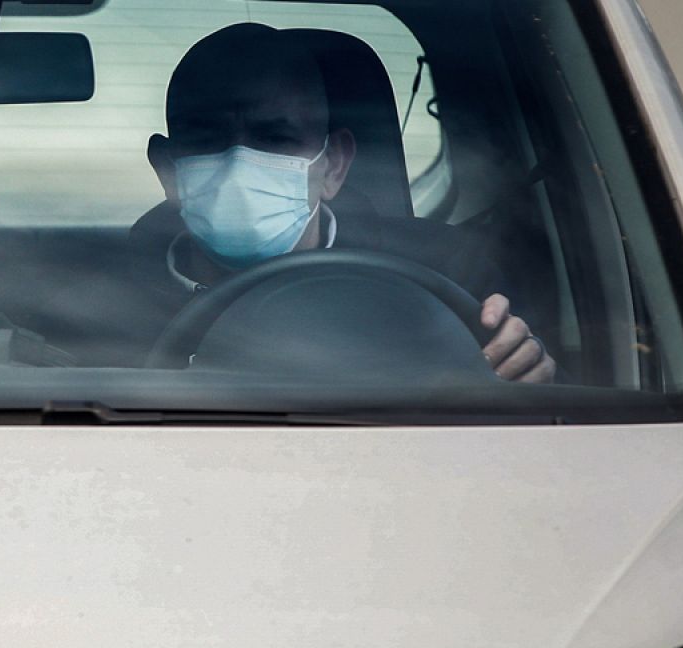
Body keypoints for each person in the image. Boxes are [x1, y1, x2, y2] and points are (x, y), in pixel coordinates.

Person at [132, 23, 556, 382]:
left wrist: (528, 371)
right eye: (207, 138)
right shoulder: (96, 292)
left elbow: (548, 416)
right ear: (167, 168)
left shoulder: (453, 273)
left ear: (334, 164)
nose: (238, 163)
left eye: (274, 138)